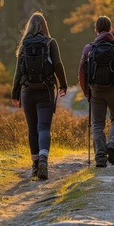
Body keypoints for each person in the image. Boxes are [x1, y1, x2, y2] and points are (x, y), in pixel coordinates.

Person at [11, 11, 68, 180]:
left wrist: (15, 94)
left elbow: (18, 72)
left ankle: (35, 166)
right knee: (43, 127)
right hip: (46, 90)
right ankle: (43, 160)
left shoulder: (24, 45)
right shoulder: (51, 42)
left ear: (29, 26)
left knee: (32, 128)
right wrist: (63, 84)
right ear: (44, 26)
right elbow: (57, 64)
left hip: (27, 92)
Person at [79, 15, 114, 167]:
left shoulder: (88, 49)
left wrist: (87, 93)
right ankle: (111, 145)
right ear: (111, 29)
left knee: (97, 124)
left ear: (96, 30)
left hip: (96, 91)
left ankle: (100, 158)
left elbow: (82, 73)